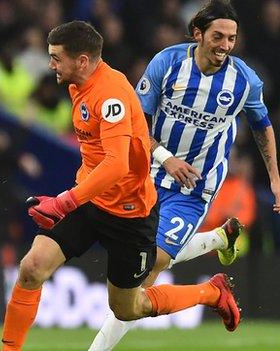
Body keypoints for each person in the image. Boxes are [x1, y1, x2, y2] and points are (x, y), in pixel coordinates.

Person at [0, 21, 239, 351]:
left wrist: (64, 202)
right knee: (31, 268)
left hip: (131, 215)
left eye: (56, 57)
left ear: (82, 61)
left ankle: (211, 292)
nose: (50, 64)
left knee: (128, 308)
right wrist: (75, 198)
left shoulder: (110, 95)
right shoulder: (76, 85)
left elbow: (117, 164)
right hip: (91, 201)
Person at [89, 1, 280, 350]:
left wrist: (275, 178)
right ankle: (218, 241)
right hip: (147, 174)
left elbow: (262, 126)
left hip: (195, 187)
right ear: (197, 33)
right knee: (135, 272)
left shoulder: (245, 81)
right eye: (218, 36)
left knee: (148, 269)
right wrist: (166, 158)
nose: (224, 45)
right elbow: (136, 123)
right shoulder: (167, 62)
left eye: (232, 38)